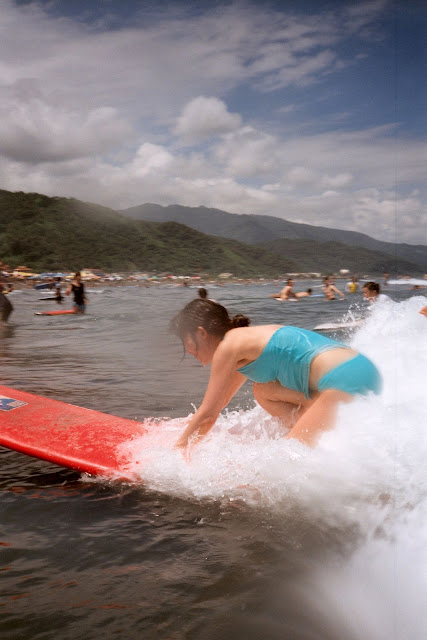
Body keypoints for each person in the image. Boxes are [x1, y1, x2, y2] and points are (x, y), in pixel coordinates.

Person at [170, 299, 381, 449]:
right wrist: (189, 424)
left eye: (185, 341)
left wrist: (178, 449)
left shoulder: (229, 346)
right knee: (263, 390)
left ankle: (311, 432)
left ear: (201, 333)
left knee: (288, 461)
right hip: (362, 370)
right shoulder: (242, 341)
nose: (188, 350)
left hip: (343, 381)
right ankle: (312, 425)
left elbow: (209, 415)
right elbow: (219, 402)